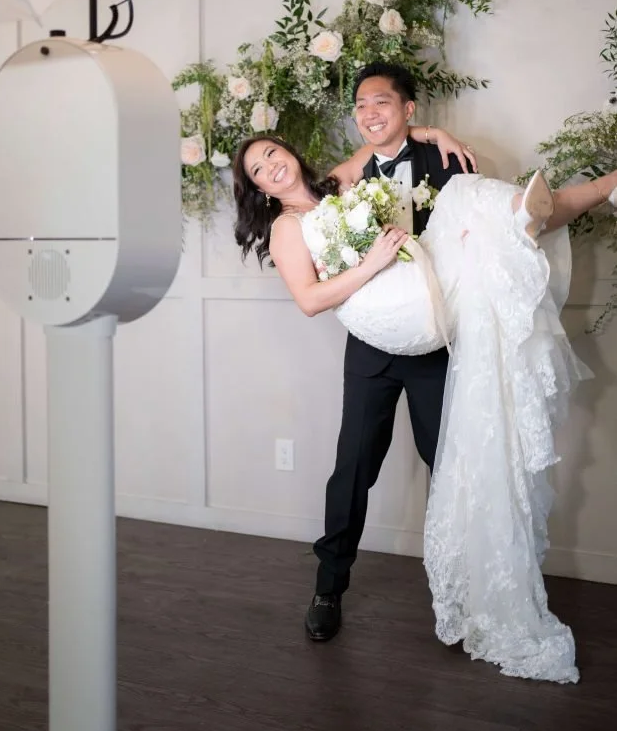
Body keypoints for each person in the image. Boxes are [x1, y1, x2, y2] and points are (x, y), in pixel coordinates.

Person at [232, 64, 617, 683]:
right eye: (258, 169)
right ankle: (328, 589)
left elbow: (385, 139)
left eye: (273, 154)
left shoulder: (340, 181)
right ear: (257, 187)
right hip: (373, 354)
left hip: (432, 341)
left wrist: (433, 133)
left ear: (291, 153)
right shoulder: (285, 226)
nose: (271, 167)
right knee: (354, 470)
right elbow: (309, 299)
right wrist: (374, 261)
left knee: (452, 463)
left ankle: (465, 590)